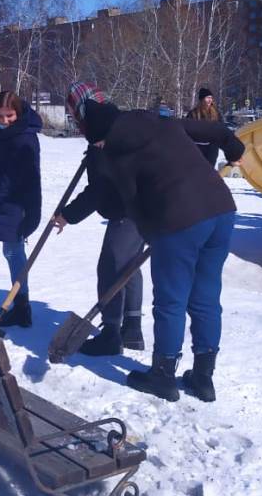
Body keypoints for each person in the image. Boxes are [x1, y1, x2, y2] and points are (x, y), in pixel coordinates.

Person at [51, 86, 245, 403]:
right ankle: (203, 378)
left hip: (179, 220)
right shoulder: (159, 121)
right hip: (221, 210)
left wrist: (156, 235)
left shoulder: (115, 155)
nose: (98, 145)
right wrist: (234, 148)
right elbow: (215, 130)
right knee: (206, 296)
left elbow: (133, 205)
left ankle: (163, 376)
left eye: (96, 139)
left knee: (171, 301)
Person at [56, 82, 147, 356]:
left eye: (74, 112)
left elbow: (99, 189)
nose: (75, 118)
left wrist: (68, 215)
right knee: (130, 266)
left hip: (127, 211)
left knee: (110, 267)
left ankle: (111, 333)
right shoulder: (116, 126)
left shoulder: (102, 133)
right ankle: (132, 328)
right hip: (143, 207)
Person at [0, 91, 41, 328]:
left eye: (10, 115)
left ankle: (22, 308)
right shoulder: (2, 133)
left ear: (19, 113)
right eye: (0, 116)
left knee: (14, 253)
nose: (4, 120)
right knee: (11, 252)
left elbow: (11, 179)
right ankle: (21, 305)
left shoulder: (23, 138)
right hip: (7, 201)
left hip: (20, 203)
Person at [187, 88, 222, 166]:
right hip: (197, 148)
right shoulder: (193, 113)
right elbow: (187, 129)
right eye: (208, 98)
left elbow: (221, 128)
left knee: (209, 170)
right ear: (202, 99)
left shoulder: (216, 113)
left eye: (211, 98)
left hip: (212, 148)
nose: (210, 100)